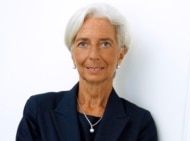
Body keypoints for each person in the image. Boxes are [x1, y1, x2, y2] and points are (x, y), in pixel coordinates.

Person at [16, 3, 158, 141]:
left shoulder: (139, 123)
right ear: (72, 54)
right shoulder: (39, 111)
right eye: (83, 44)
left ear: (121, 55)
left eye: (105, 44)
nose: (94, 55)